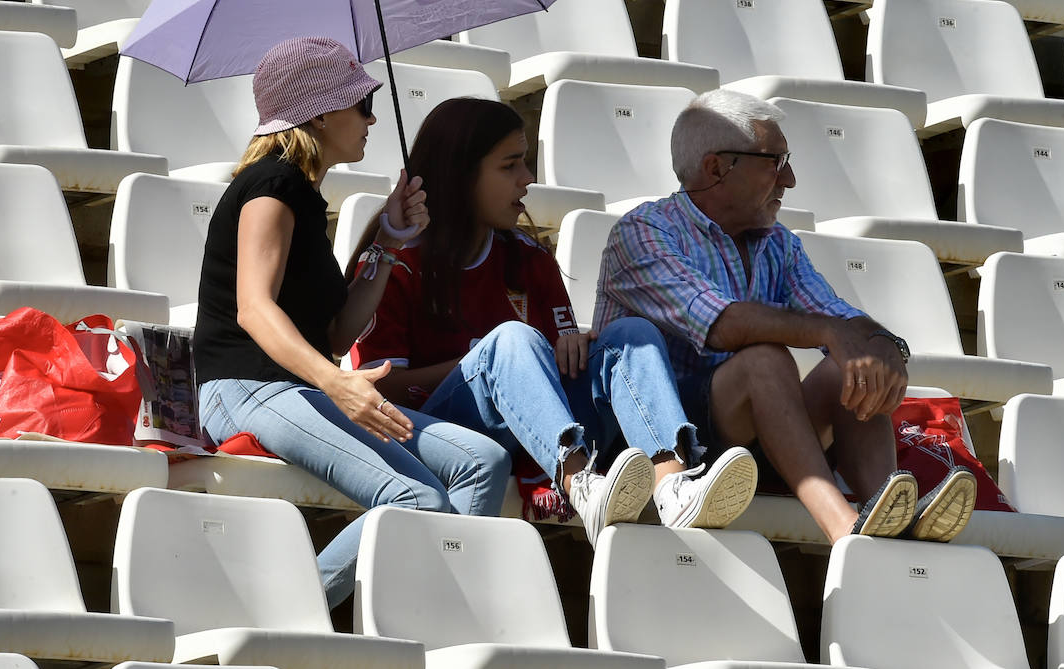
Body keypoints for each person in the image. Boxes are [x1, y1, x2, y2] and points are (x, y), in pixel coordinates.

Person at [349, 97, 758, 545]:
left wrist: (571, 350)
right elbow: (378, 387)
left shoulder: (530, 259)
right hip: (435, 431)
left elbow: (556, 364)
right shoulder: (396, 261)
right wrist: (485, 360)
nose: (527, 180)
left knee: (631, 336)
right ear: (460, 175)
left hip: (536, 427)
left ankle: (673, 486)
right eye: (510, 166)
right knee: (510, 341)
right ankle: (580, 484)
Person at [194, 38, 511, 608]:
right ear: (319, 111)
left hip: (290, 388)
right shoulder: (272, 184)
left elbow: (338, 333)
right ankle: (285, 623)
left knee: (481, 462)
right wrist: (336, 382)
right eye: (361, 103)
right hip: (247, 388)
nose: (371, 117)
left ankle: (429, 620)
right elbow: (253, 308)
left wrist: (390, 238)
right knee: (416, 502)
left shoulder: (306, 198)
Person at [594, 89, 976, 544]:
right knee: (765, 360)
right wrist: (834, 332)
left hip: (747, 426)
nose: (790, 179)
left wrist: (883, 347)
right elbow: (722, 324)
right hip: (662, 441)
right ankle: (843, 526)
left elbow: (839, 317)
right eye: (774, 161)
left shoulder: (777, 243)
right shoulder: (643, 232)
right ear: (717, 168)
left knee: (848, 367)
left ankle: (888, 512)